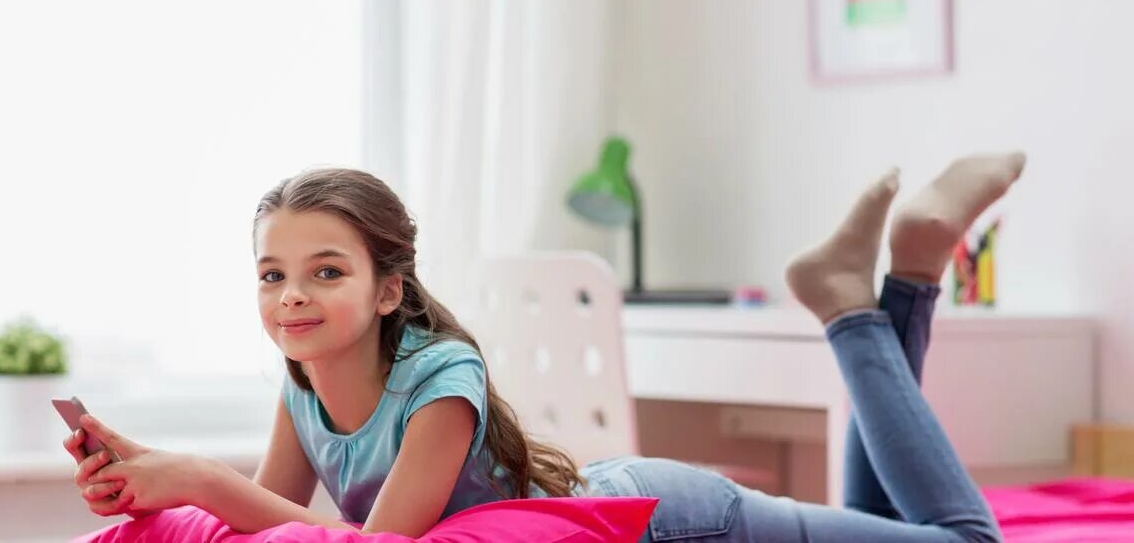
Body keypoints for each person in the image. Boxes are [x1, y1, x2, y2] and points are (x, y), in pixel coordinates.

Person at [66, 153, 1024, 541]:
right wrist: (149, 466)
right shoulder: (304, 382)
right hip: (612, 492)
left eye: (326, 271)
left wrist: (196, 475)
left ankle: (868, 303)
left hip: (675, 522)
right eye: (273, 275)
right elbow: (282, 521)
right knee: (889, 531)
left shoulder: (441, 381)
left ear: (388, 287)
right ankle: (892, 278)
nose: (293, 297)